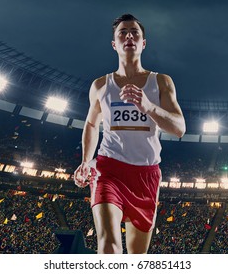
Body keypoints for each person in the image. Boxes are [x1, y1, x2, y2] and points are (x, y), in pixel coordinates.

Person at [73, 13, 186, 254]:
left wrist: (149, 106)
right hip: (108, 169)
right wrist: (85, 161)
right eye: (122, 32)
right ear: (114, 44)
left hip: (146, 175)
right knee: (109, 245)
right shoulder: (101, 85)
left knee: (136, 257)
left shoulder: (162, 82)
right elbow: (92, 124)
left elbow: (179, 128)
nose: (129, 36)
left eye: (135, 32)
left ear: (143, 43)